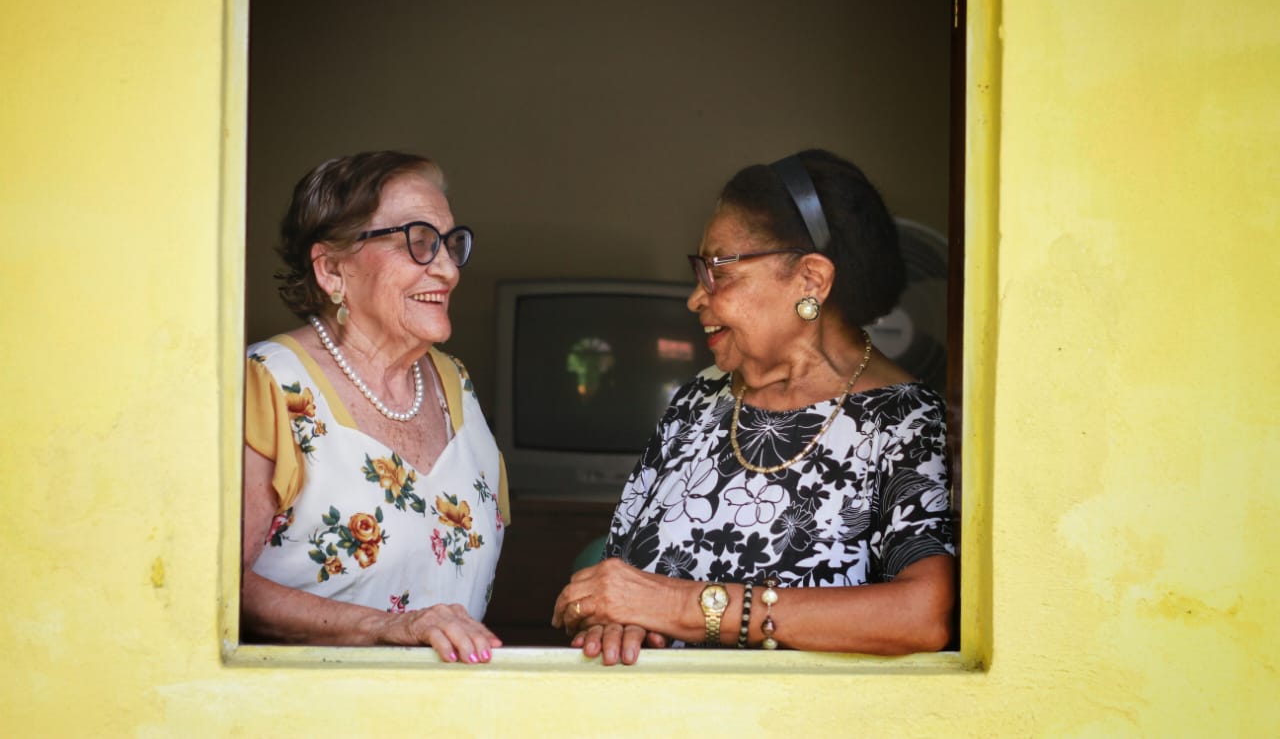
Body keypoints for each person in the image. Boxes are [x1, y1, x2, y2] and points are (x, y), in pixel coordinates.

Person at [553, 149, 955, 665]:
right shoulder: (700, 398)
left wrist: (685, 608)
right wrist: (612, 619)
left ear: (811, 279)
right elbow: (621, 577)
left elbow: (922, 614)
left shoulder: (902, 420)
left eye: (718, 270)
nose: (696, 298)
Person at [242, 150, 508, 663]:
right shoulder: (270, 386)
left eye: (451, 245)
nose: (449, 270)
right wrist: (392, 627)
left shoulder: (456, 384)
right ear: (333, 269)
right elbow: (217, 588)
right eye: (419, 243)